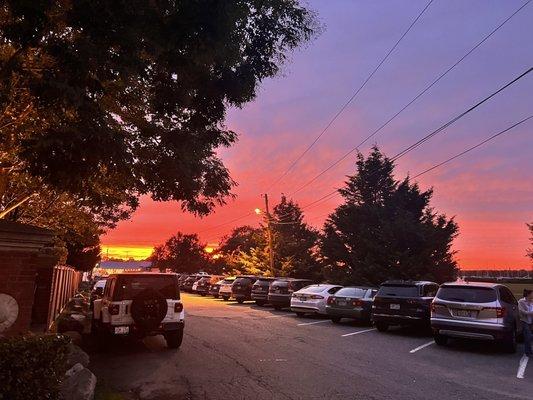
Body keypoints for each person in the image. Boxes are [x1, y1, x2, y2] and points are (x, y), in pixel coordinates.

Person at [518, 289, 533, 357]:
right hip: (524, 321)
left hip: (531, 321)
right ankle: (528, 352)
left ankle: (529, 351)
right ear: (528, 294)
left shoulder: (532, 301)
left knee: (528, 337)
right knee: (528, 336)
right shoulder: (521, 301)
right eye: (532, 294)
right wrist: (531, 313)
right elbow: (522, 311)